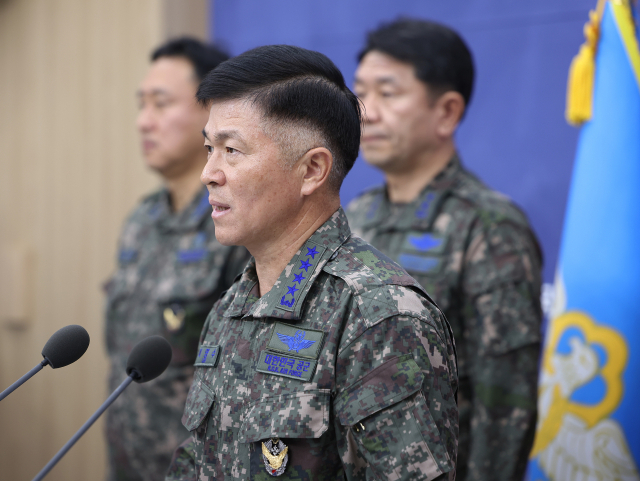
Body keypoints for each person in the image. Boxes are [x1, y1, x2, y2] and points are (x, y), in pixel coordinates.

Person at [164, 44, 458, 481]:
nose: (209, 172)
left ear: (312, 171)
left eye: (232, 151)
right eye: (209, 148)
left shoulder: (379, 317)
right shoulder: (232, 305)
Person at [346, 19, 542, 481]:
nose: (366, 112)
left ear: (447, 112)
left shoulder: (489, 225)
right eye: (360, 93)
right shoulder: (353, 215)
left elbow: (505, 401)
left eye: (388, 93)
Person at [104, 37, 249, 481]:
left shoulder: (234, 226)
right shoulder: (141, 219)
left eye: (161, 104)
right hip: (129, 461)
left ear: (211, 112)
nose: (143, 122)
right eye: (141, 104)